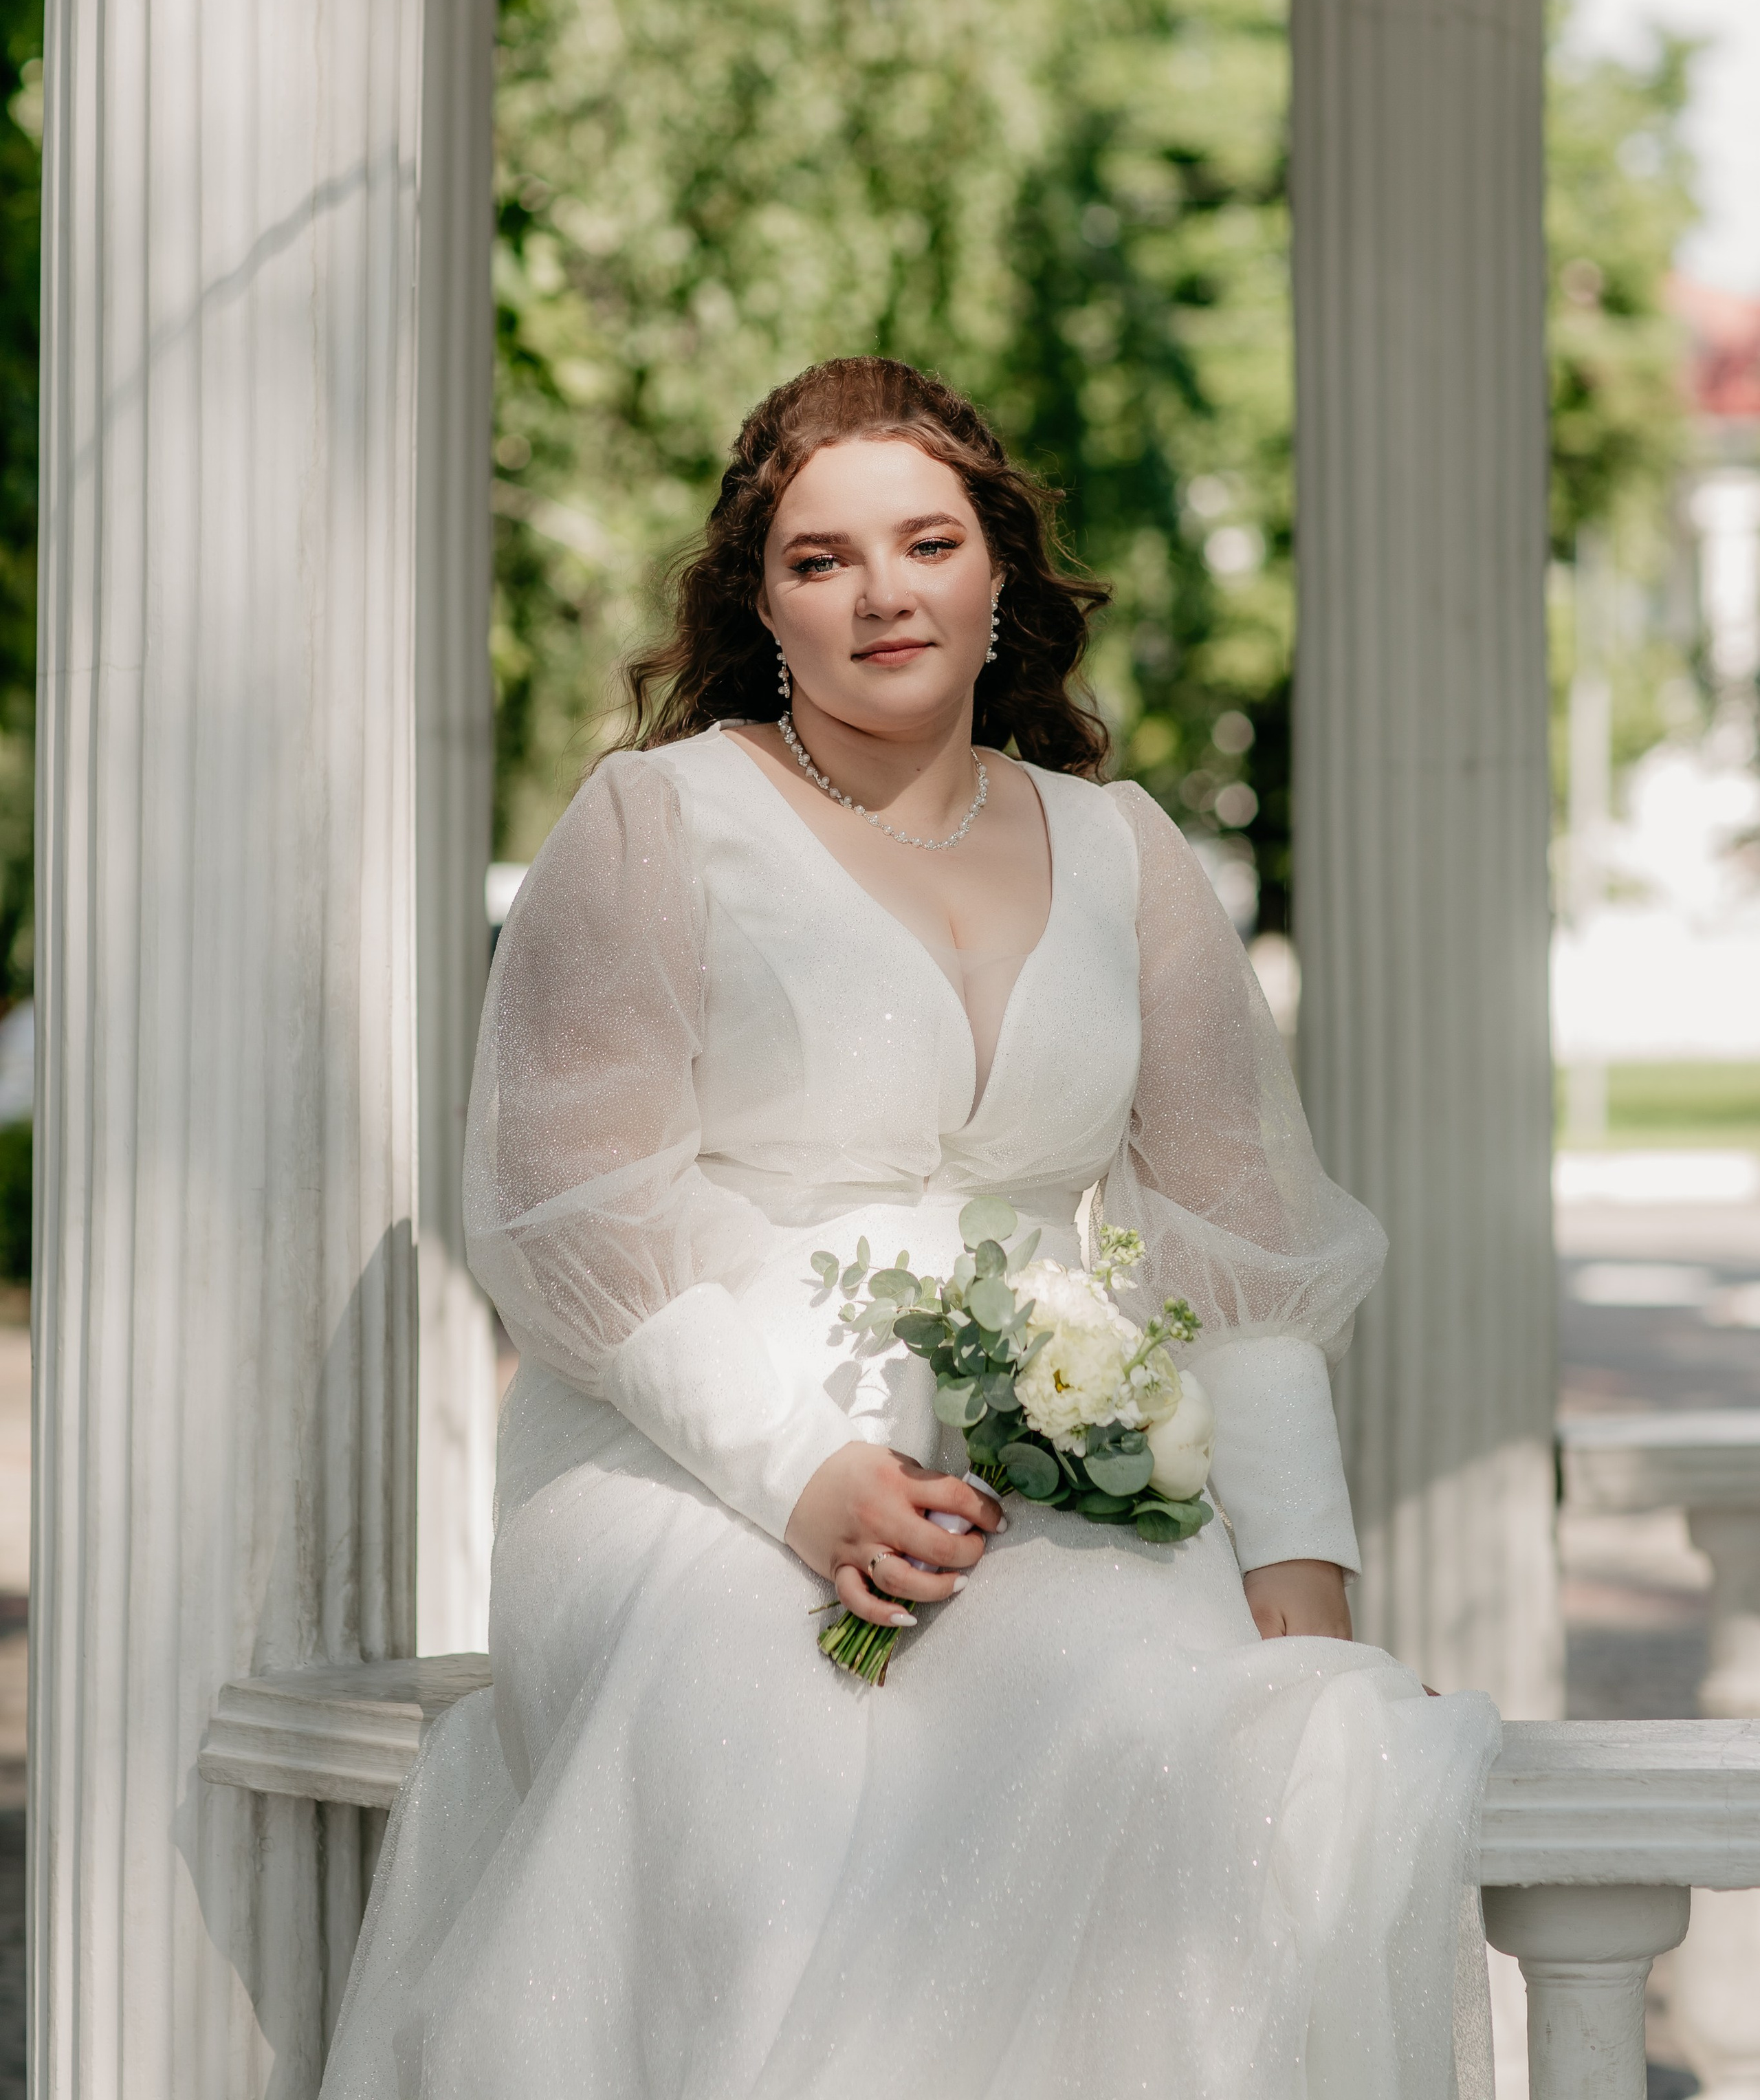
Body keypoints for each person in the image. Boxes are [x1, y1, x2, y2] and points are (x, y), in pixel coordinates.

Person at [322, 358, 1499, 2099]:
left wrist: (1300, 1601)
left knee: (1195, 1730)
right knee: (773, 1733)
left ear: (998, 572)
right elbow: (574, 1209)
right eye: (819, 558)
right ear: (758, 603)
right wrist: (810, 1481)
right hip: (695, 1471)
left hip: (1053, 1460)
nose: (881, 591)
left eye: (925, 540)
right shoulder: (660, 822)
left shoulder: (1126, 853)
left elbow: (1231, 1252)